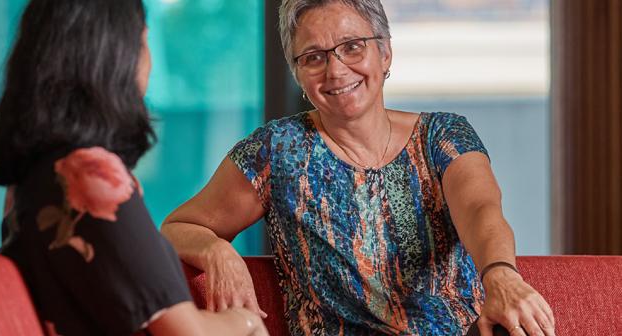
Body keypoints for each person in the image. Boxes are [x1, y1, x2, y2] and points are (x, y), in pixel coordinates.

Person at [161, 1, 555, 335]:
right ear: (297, 73)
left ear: (384, 53)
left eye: (352, 47)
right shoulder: (276, 150)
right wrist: (216, 251)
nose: (335, 71)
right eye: (313, 57)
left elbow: (480, 207)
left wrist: (501, 273)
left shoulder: (442, 135)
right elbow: (178, 226)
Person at [0, 0, 269, 335]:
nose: (150, 61)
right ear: (116, 57)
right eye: (143, 42)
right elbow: (188, 333)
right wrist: (245, 321)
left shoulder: (26, 183)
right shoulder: (91, 175)